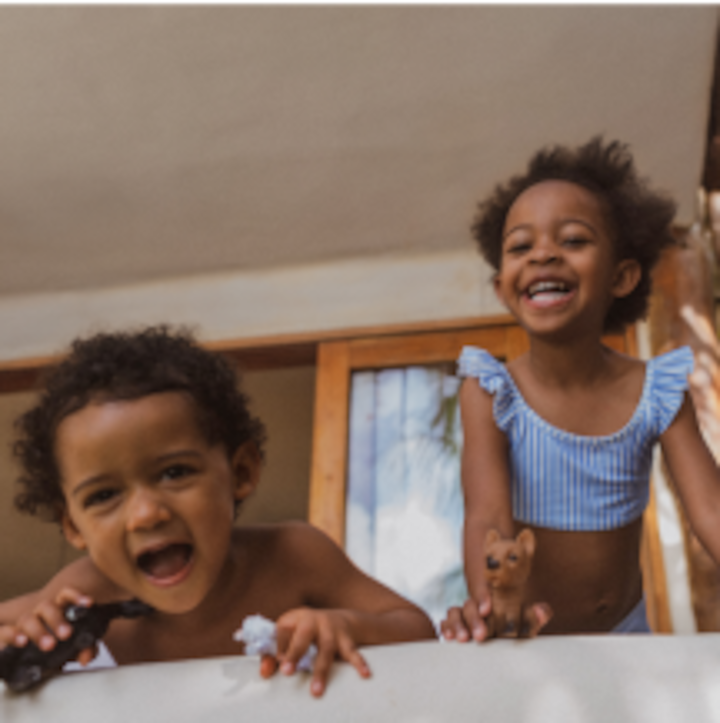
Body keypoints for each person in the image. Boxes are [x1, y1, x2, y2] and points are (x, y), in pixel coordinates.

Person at [0, 327, 435, 696]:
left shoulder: (294, 557)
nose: (146, 514)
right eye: (102, 496)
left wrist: (347, 625)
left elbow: (417, 629)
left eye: (173, 472)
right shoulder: (82, 596)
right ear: (73, 526)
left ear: (240, 472)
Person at [441, 137, 720, 641]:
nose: (543, 253)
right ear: (505, 288)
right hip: (525, 639)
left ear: (621, 277)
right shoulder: (490, 392)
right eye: (520, 247)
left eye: (572, 240)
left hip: (625, 633)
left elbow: (712, 512)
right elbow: (488, 514)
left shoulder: (656, 391)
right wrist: (494, 606)